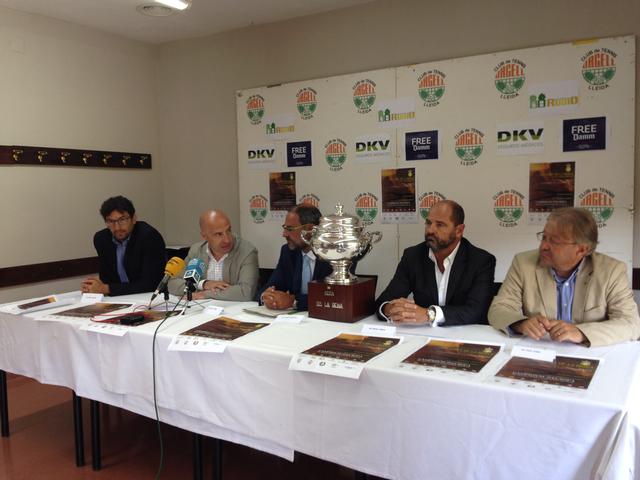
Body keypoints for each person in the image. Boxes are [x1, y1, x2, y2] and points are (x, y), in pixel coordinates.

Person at [489, 207, 640, 347]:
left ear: (582, 249)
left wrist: (581, 333)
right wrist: (520, 323)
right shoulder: (523, 263)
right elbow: (499, 308)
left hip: (588, 355)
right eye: (544, 237)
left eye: (554, 241)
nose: (544, 246)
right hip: (539, 350)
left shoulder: (611, 271)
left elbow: (631, 323)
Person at [375, 200, 496, 326]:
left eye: (440, 225)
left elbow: (476, 311)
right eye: (428, 223)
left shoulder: (481, 261)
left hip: (467, 333)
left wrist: (430, 314)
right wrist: (391, 309)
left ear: (459, 230)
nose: (430, 230)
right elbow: (383, 301)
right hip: (423, 334)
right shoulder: (413, 256)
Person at [82, 196, 166, 296]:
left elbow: (152, 283)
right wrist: (93, 286)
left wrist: (105, 288)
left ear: (134, 218)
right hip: (119, 298)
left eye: (122, 220)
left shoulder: (149, 236)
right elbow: (106, 278)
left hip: (150, 296)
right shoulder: (101, 239)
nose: (117, 227)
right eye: (111, 221)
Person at [168, 209, 258, 301]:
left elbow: (246, 292)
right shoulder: (197, 251)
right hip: (203, 308)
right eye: (219, 234)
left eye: (228, 230)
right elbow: (172, 283)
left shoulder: (247, 251)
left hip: (234, 308)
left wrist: (205, 294)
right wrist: (203, 284)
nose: (227, 240)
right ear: (204, 236)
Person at [256, 204, 332, 311]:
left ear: (310, 229)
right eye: (285, 228)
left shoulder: (334, 255)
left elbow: (332, 297)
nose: (284, 234)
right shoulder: (288, 252)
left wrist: (293, 301)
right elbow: (272, 286)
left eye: (290, 229)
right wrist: (266, 297)